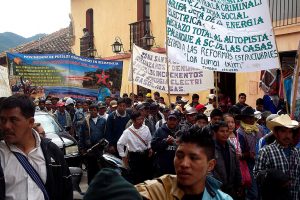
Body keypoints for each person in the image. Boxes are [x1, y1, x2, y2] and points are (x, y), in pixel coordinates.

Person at [0, 94, 73, 200]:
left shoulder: (52, 151)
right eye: (2, 120)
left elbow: (65, 190)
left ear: (30, 122)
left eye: (13, 120)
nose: (6, 126)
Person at [136, 127, 233, 200]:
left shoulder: (223, 198)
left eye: (193, 158)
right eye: (179, 156)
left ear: (210, 165)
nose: (184, 164)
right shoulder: (158, 191)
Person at [254, 114, 300, 200]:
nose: (287, 135)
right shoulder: (266, 152)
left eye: (290, 132)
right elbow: (257, 176)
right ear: (275, 133)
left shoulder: (297, 152)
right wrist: (272, 175)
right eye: (283, 131)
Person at [117, 111, 152, 184]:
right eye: (138, 119)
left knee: (147, 177)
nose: (141, 121)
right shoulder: (128, 132)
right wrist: (123, 156)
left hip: (145, 156)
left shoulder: (146, 128)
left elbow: (149, 140)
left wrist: (150, 148)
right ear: (133, 121)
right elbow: (120, 144)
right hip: (134, 157)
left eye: (142, 119)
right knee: (136, 179)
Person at [236, 106, 264, 200]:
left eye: (252, 117)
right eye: (249, 117)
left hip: (262, 163)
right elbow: (240, 153)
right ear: (243, 118)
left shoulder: (259, 128)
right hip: (249, 165)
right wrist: (249, 154)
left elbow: (265, 142)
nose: (252, 119)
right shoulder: (240, 132)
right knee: (253, 193)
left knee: (261, 191)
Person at [211, 121, 242, 199]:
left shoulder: (231, 147)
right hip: (217, 188)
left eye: (226, 131)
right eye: (222, 131)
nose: (225, 133)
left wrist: (239, 183)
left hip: (231, 187)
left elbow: (237, 166)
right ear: (215, 133)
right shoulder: (211, 149)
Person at [79, 103, 106, 184]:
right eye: (91, 110)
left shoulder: (103, 121)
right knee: (91, 168)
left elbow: (105, 133)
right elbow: (81, 135)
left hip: (100, 148)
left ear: (97, 111)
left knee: (100, 167)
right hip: (89, 148)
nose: (93, 112)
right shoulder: (85, 122)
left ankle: (99, 185)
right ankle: (91, 185)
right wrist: (82, 148)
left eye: (95, 110)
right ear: (89, 111)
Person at [151, 111, 180, 177]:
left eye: (174, 120)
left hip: (176, 166)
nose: (172, 121)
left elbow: (186, 146)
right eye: (170, 119)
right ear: (166, 120)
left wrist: (175, 141)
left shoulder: (180, 131)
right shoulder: (159, 131)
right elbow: (153, 146)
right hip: (162, 166)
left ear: (177, 121)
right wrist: (165, 142)